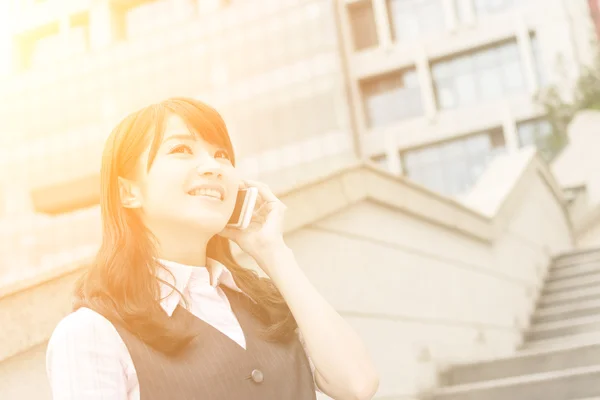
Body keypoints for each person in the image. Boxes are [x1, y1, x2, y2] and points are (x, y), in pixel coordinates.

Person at [46, 97, 379, 400]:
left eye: (221, 155)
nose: (213, 166)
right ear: (128, 193)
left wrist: (273, 252)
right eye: (181, 150)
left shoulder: (265, 304)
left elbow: (357, 385)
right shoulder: (91, 333)